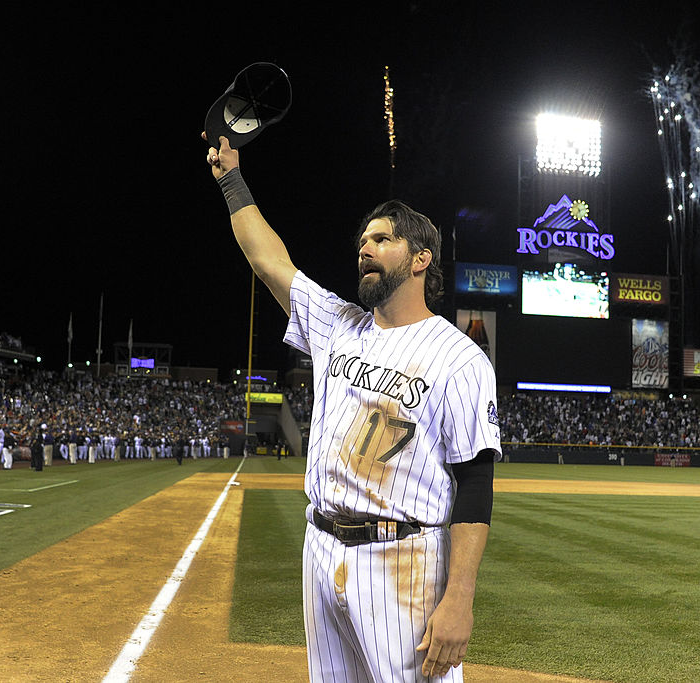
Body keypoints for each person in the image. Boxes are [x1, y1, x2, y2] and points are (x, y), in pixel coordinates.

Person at [205, 134, 501, 680]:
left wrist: (459, 597)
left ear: (420, 260)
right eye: (362, 239)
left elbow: (476, 483)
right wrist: (230, 178)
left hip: (403, 558)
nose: (364, 247)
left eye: (382, 239)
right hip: (321, 548)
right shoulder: (339, 325)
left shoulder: (459, 358)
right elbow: (267, 259)